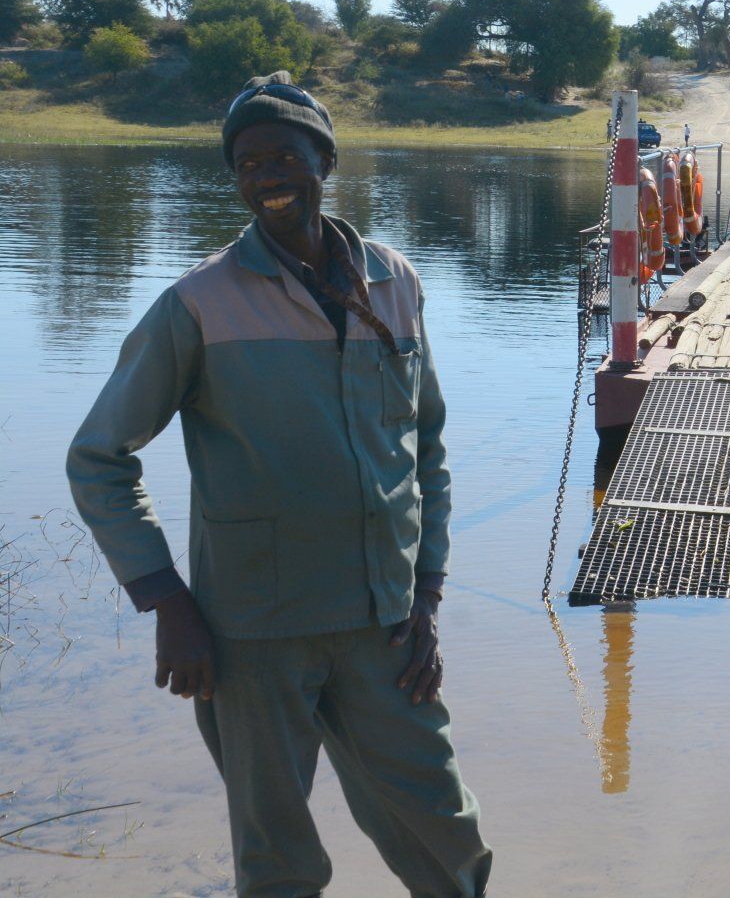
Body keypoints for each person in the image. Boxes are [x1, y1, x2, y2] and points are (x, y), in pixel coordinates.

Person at [68, 72, 491, 897]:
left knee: (447, 836)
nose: (267, 177)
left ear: (324, 160)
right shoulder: (198, 304)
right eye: (248, 163)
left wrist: (428, 594)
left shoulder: (394, 282)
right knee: (279, 862)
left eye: (285, 156)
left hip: (386, 626)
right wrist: (169, 602)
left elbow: (425, 444)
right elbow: (98, 456)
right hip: (251, 635)